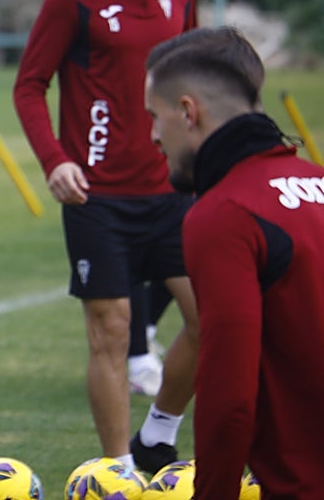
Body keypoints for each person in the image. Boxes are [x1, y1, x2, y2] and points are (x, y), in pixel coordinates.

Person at [12, 0, 198, 474]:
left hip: (174, 190)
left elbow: (193, 79)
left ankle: (158, 432)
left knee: (212, 319)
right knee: (111, 333)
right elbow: (29, 85)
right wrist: (55, 160)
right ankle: (118, 470)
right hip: (98, 198)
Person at [144, 26, 324, 500]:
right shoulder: (318, 181)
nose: (152, 135)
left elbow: (229, 395)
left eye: (154, 117)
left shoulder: (224, 214)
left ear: (187, 112)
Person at [125, 0, 200, 397]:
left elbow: (193, 49)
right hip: (125, 155)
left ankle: (145, 328)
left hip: (175, 146)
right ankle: (135, 352)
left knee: (191, 250)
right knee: (129, 257)